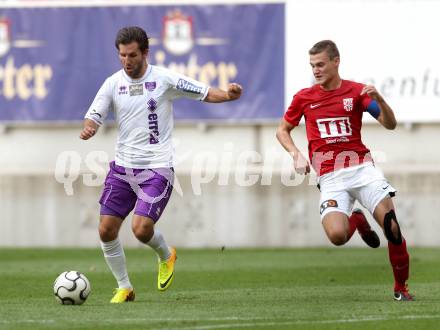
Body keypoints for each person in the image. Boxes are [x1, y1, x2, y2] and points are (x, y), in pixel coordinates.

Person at [80, 26, 242, 303]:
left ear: (145, 52)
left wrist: (228, 95)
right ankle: (124, 287)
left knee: (141, 229)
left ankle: (166, 255)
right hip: (122, 169)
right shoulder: (112, 83)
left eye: (132, 55)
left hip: (157, 169)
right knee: (106, 229)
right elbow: (95, 112)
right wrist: (90, 127)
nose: (127, 61)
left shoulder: (164, 79)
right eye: (122, 55)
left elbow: (202, 91)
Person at [276, 40, 413, 301]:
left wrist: (380, 100)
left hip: (362, 170)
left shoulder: (357, 93)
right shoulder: (304, 98)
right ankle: (356, 220)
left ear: (336, 61)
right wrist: (296, 155)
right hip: (330, 177)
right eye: (312, 66)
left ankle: (401, 288)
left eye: (321, 64)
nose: (316, 70)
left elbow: (389, 124)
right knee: (337, 236)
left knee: (391, 227)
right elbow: (282, 130)